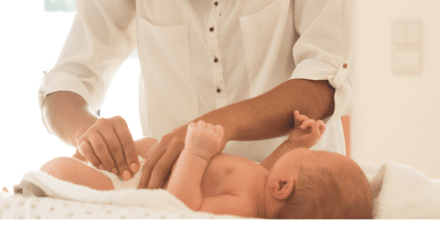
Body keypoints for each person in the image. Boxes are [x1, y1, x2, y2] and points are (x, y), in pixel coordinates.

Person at [40, 0, 354, 189]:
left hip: (299, 191)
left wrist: (211, 129)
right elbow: (66, 83)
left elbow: (323, 83)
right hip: (180, 197)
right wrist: (87, 133)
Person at [35, 110, 372, 218]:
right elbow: (268, 166)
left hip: (134, 186)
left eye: (311, 157)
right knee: (150, 144)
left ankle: (31, 194)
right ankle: (92, 159)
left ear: (283, 187)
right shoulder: (265, 181)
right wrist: (294, 143)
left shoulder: (242, 208)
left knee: (60, 171)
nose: (309, 152)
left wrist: (196, 154)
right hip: (148, 162)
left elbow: (183, 206)